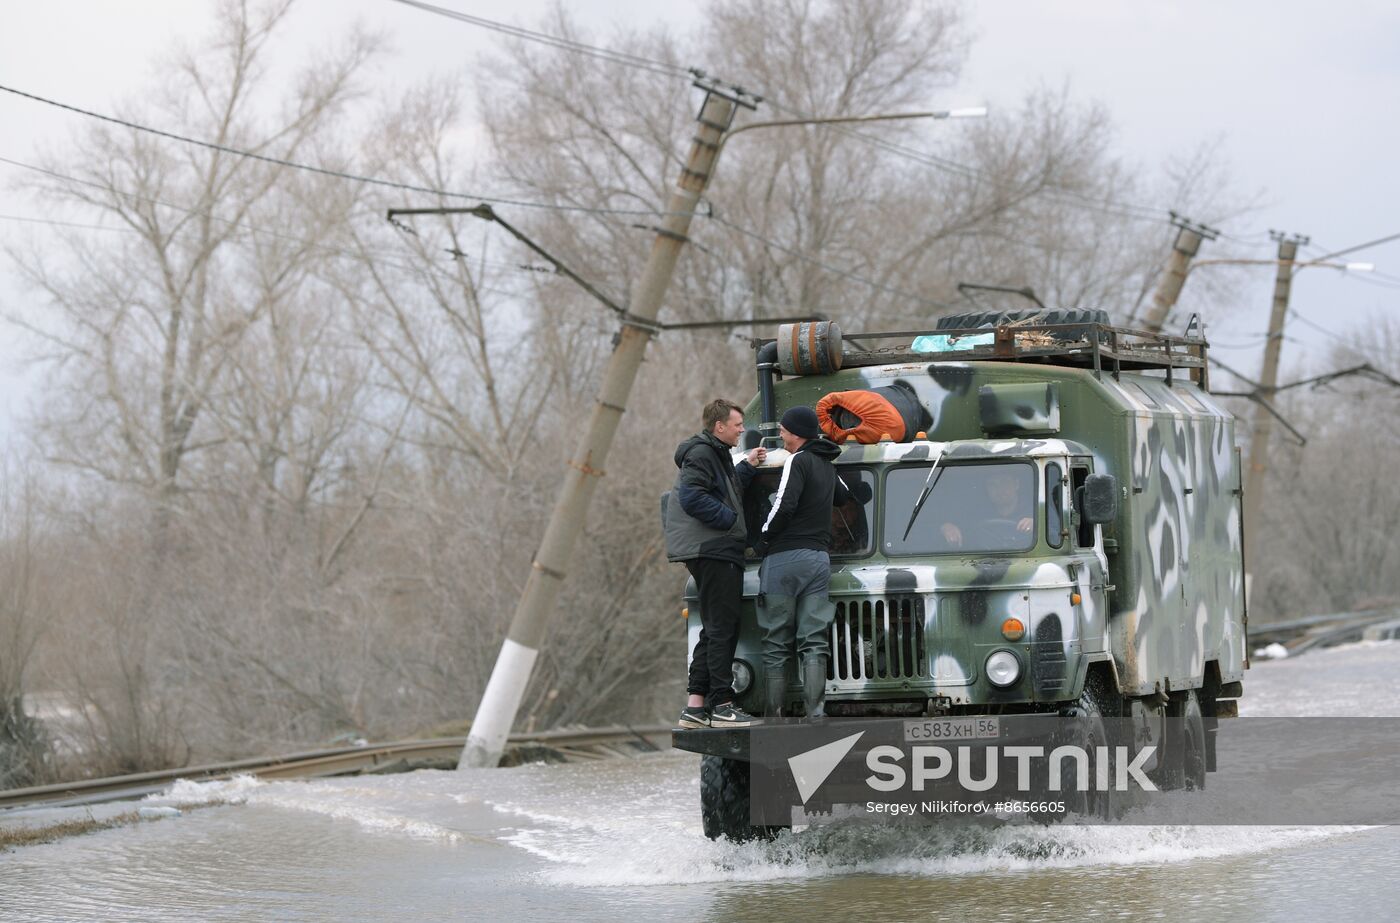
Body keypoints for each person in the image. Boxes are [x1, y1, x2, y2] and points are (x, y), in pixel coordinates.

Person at [664, 399, 766, 729]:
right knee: (723, 628)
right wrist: (729, 519)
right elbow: (692, 497)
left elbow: (725, 488)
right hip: (714, 550)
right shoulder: (702, 453)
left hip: (711, 549)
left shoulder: (714, 453)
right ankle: (722, 704)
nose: (742, 429)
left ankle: (695, 706)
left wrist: (747, 466)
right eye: (737, 424)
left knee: (712, 629)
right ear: (719, 426)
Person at [753, 405, 850, 720]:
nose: (780, 434)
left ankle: (774, 714)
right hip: (819, 560)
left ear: (795, 433)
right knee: (813, 639)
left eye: (783, 430)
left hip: (784, 560)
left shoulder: (798, 460)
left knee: (777, 639)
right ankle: (816, 711)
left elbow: (784, 504)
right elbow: (843, 496)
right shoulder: (826, 464)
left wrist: (764, 538)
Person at [940, 467, 1034, 548]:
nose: (999, 489)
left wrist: (1036, 524)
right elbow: (952, 526)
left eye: (1005, 482)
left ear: (1016, 484)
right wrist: (947, 527)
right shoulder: (977, 514)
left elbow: (1048, 530)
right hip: (985, 562)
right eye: (992, 484)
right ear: (987, 489)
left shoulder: (1036, 510)